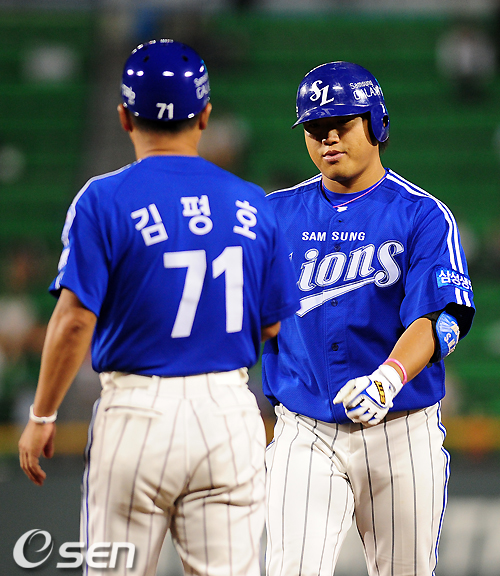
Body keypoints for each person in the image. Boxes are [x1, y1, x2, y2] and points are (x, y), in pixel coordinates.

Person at [18, 39, 298, 576]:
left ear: (124, 116)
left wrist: (43, 415)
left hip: (137, 414)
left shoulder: (104, 199)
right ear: (205, 116)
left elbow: (74, 321)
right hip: (227, 413)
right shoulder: (252, 203)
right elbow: (274, 327)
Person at [262, 61, 475, 576]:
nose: (328, 137)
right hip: (305, 428)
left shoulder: (421, 214)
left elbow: (440, 320)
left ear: (377, 123)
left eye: (342, 123)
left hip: (400, 430)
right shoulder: (273, 215)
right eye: (315, 127)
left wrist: (388, 379)